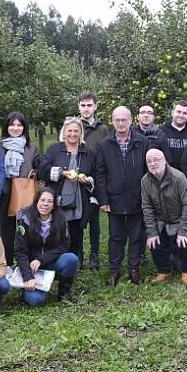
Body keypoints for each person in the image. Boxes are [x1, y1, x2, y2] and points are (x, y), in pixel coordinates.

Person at [95, 106, 151, 286]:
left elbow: (147, 171)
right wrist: (103, 199)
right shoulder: (104, 145)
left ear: (131, 120)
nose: (121, 123)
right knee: (116, 236)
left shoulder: (142, 142)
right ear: (112, 121)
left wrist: (146, 197)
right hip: (114, 198)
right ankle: (114, 269)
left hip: (137, 197)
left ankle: (134, 268)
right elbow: (100, 174)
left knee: (136, 235)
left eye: (124, 120)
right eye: (117, 120)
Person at [40, 118, 97, 266]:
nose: (72, 134)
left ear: (81, 133)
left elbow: (95, 175)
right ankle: (56, 264)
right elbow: (43, 170)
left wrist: (87, 180)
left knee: (76, 233)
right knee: (58, 232)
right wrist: (61, 173)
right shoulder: (54, 149)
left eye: (76, 131)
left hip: (79, 199)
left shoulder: (87, 152)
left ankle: (76, 265)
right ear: (64, 132)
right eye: (69, 131)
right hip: (58, 199)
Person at [15, 187, 80, 305]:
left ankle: (64, 293)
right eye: (42, 200)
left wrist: (41, 260)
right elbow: (20, 252)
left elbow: (64, 246)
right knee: (36, 301)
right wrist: (28, 277)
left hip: (50, 261)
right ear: (36, 201)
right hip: (31, 267)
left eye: (50, 201)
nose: (46, 204)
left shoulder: (61, 219)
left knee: (71, 259)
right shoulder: (24, 220)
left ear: (54, 204)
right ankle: (26, 287)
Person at [141, 149, 187, 284]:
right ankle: (164, 271)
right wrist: (152, 232)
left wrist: (183, 231)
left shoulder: (178, 178)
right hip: (161, 220)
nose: (153, 163)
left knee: (184, 242)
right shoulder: (145, 181)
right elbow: (147, 207)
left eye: (156, 160)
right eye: (149, 161)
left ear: (164, 160)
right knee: (154, 241)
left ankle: (186, 271)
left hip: (180, 218)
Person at [0, 111, 42, 267]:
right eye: (12, 124)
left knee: (28, 230)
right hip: (4, 194)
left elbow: (41, 167)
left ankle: (29, 265)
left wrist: (36, 172)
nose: (16, 128)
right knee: (7, 233)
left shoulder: (31, 148)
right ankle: (8, 265)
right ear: (7, 127)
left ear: (24, 127)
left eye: (19, 125)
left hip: (24, 193)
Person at [75, 91, 109, 270]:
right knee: (78, 219)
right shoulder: (73, 126)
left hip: (95, 180)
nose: (86, 109)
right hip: (76, 180)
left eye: (89, 105)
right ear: (78, 106)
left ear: (95, 106)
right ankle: (78, 254)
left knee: (94, 220)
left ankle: (94, 255)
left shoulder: (102, 129)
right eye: (83, 105)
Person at [160, 100, 187, 170]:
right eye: (178, 112)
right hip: (167, 175)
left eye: (185, 113)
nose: (181, 115)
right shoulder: (161, 131)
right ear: (172, 113)